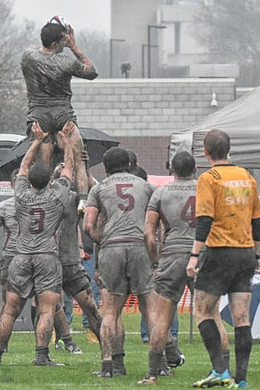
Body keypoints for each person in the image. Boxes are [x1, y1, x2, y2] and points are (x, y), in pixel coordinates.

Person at [0, 121, 75, 366]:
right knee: (47, 309)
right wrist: (66, 142)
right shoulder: (57, 195)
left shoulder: (21, 194)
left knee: (10, 309)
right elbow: (69, 168)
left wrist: (36, 141)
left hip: (21, 255)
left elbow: (23, 166)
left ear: (27, 181)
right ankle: (41, 356)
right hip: (47, 255)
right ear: (50, 180)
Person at [187, 129, 260, 389]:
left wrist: (194, 255)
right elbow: (257, 219)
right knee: (242, 317)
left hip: (220, 250)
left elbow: (205, 220)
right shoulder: (246, 177)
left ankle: (220, 370)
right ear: (229, 149)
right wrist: (256, 252)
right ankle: (240, 380)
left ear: (206, 152)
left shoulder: (209, 178)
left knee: (202, 309)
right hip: (244, 252)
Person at [83, 147, 155, 378]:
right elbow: (157, 224)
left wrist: (102, 241)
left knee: (111, 311)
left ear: (105, 167)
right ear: (130, 165)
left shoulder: (99, 188)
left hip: (112, 248)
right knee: (150, 309)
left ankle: (109, 365)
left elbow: (88, 225)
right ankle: (159, 364)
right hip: (140, 246)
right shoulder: (146, 187)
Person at [21, 16, 98, 210]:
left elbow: (41, 46)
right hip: (63, 114)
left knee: (42, 165)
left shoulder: (27, 57)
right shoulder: (67, 62)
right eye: (64, 40)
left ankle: (44, 199)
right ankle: (82, 200)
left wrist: (52, 30)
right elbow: (92, 72)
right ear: (55, 43)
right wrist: (75, 48)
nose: (66, 42)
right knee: (79, 156)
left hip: (38, 114)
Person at [137, 150, 196, 385]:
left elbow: (148, 233)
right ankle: (220, 370)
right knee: (209, 315)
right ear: (195, 170)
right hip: (199, 256)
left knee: (161, 317)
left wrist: (155, 260)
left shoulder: (161, 193)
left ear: (171, 169)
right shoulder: (206, 189)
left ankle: (152, 373)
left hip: (171, 255)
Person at [52, 162, 102, 350]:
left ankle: (108, 348)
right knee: (55, 303)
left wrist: (83, 168)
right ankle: (61, 340)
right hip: (51, 260)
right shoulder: (47, 196)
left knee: (88, 303)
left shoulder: (75, 200)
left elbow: (95, 192)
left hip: (71, 260)